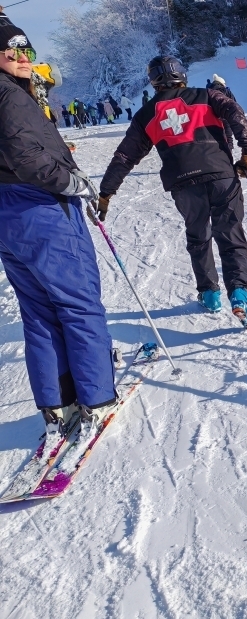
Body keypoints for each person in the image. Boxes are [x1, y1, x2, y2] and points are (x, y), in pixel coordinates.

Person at [0, 13, 117, 438]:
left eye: (26, 49)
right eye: (10, 50)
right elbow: (26, 156)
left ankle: (56, 401)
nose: (22, 57)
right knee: (78, 302)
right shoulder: (10, 96)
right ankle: (97, 397)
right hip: (41, 209)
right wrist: (68, 180)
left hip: (8, 214)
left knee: (38, 309)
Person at [97, 56, 247, 328]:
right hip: (220, 174)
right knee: (230, 234)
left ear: (153, 81)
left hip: (183, 183)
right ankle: (240, 292)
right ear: (182, 74)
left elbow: (125, 156)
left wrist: (106, 192)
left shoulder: (145, 114)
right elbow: (235, 112)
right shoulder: (206, 96)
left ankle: (209, 293)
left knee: (198, 235)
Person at [208, 74, 237, 151]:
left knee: (214, 136)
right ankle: (229, 152)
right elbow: (234, 104)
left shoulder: (208, 91)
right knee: (228, 136)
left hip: (212, 118)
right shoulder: (227, 91)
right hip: (225, 116)